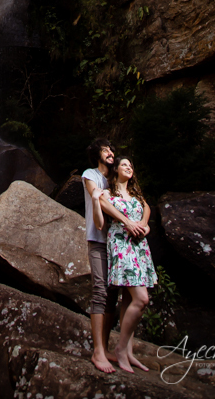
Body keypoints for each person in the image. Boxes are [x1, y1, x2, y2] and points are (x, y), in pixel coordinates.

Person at [82, 138, 145, 373]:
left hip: (115, 244)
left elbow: (139, 202)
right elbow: (93, 193)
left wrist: (142, 223)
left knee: (111, 295)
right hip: (97, 241)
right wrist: (127, 221)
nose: (110, 152)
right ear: (96, 153)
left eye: (111, 150)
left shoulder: (113, 182)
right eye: (105, 149)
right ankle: (98, 351)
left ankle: (107, 347)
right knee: (99, 290)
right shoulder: (90, 174)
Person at [98, 156, 157, 373]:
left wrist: (144, 225)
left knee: (129, 299)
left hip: (139, 246)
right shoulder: (108, 192)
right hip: (122, 243)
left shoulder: (135, 195)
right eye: (124, 165)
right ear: (116, 171)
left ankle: (129, 353)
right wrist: (127, 222)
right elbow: (103, 204)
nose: (129, 167)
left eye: (131, 165)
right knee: (141, 299)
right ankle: (121, 349)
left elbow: (147, 208)